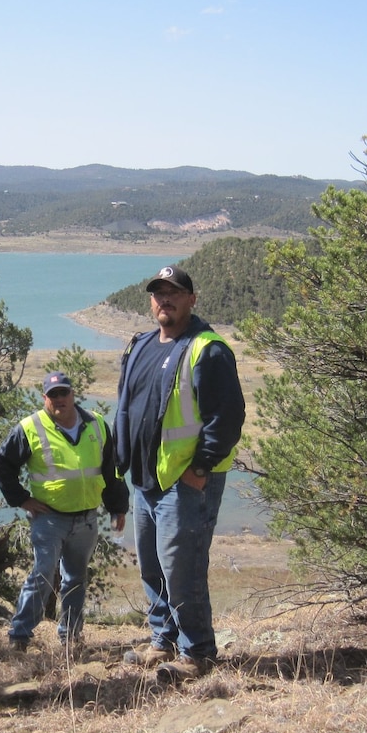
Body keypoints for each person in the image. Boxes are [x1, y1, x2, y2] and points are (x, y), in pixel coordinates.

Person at [114, 265, 246, 683]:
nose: (164, 300)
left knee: (182, 567)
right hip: (146, 480)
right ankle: (162, 641)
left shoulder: (207, 349)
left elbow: (226, 417)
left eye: (174, 292)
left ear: (192, 299)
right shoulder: (141, 345)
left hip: (185, 483)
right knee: (152, 565)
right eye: (158, 293)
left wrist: (200, 468)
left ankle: (197, 653)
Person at [0, 371, 128, 652]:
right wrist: (22, 499)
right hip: (49, 518)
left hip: (87, 518)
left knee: (76, 578)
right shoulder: (31, 427)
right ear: (45, 398)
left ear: (72, 395)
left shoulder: (97, 425)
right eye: (52, 395)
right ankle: (20, 635)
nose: (59, 399)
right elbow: (2, 463)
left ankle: (70, 636)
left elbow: (110, 470)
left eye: (63, 393)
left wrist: (117, 508)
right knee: (42, 574)